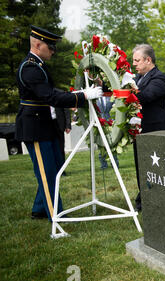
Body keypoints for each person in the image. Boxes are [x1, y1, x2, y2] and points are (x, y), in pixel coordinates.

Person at [15, 25, 102, 221]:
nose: (53, 51)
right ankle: (57, 216)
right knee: (47, 173)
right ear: (38, 44)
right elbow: (50, 96)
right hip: (35, 127)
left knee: (53, 168)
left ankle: (39, 209)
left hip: (45, 124)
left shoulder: (38, 65)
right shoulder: (30, 67)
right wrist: (82, 95)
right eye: (50, 47)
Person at [131, 44, 165, 212]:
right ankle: (145, 197)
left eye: (137, 60)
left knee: (157, 168)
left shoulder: (159, 78)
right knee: (141, 166)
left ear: (148, 60)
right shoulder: (137, 77)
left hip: (156, 131)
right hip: (140, 130)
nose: (134, 64)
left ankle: (160, 199)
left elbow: (146, 97)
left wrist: (128, 90)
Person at [54, 107, 71, 174]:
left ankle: (61, 170)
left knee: (60, 148)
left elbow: (66, 110)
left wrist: (68, 125)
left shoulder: (59, 96)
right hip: (47, 124)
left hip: (59, 125)